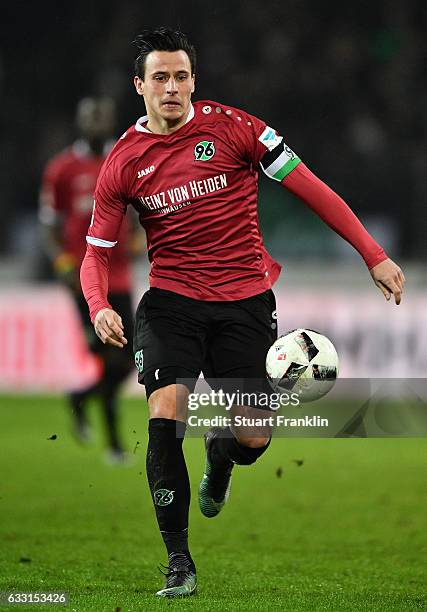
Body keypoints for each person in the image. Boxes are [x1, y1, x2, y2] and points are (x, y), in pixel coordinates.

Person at [80, 28, 405, 597]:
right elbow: (96, 254)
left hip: (245, 304)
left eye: (182, 76)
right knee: (165, 419)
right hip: (171, 305)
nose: (173, 87)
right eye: (160, 77)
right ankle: (179, 562)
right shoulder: (123, 163)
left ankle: (221, 457)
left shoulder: (237, 129)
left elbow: (312, 189)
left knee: (253, 438)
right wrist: (98, 304)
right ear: (140, 87)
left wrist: (372, 254)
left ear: (193, 82)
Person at [40, 97, 138, 463]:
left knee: (125, 360)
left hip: (123, 277)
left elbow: (145, 208)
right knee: (109, 360)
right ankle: (114, 446)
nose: (96, 124)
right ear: (80, 122)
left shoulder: (128, 157)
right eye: (90, 118)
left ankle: (79, 398)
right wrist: (63, 263)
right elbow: (49, 225)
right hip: (85, 279)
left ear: (110, 120)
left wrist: (143, 236)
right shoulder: (62, 169)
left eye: (102, 118)